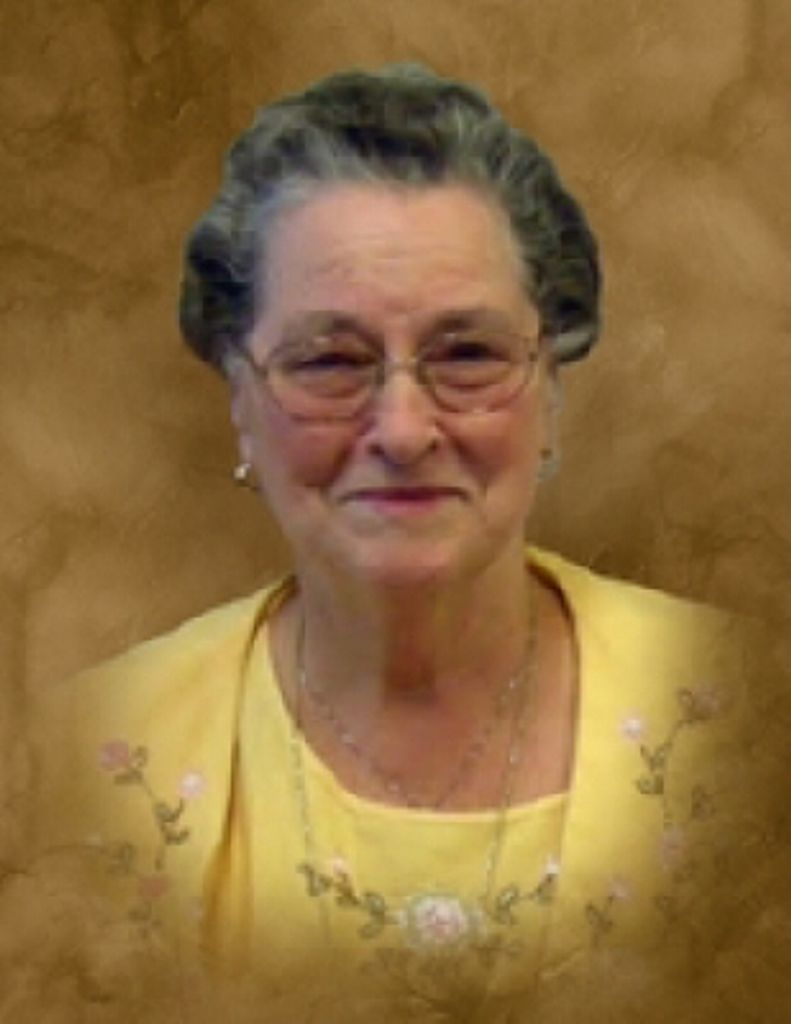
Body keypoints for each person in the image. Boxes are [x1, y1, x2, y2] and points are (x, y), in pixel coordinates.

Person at [32, 64, 745, 1023]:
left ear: (550, 389)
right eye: (329, 361)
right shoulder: (81, 760)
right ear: (240, 401)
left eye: (468, 355)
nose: (403, 430)